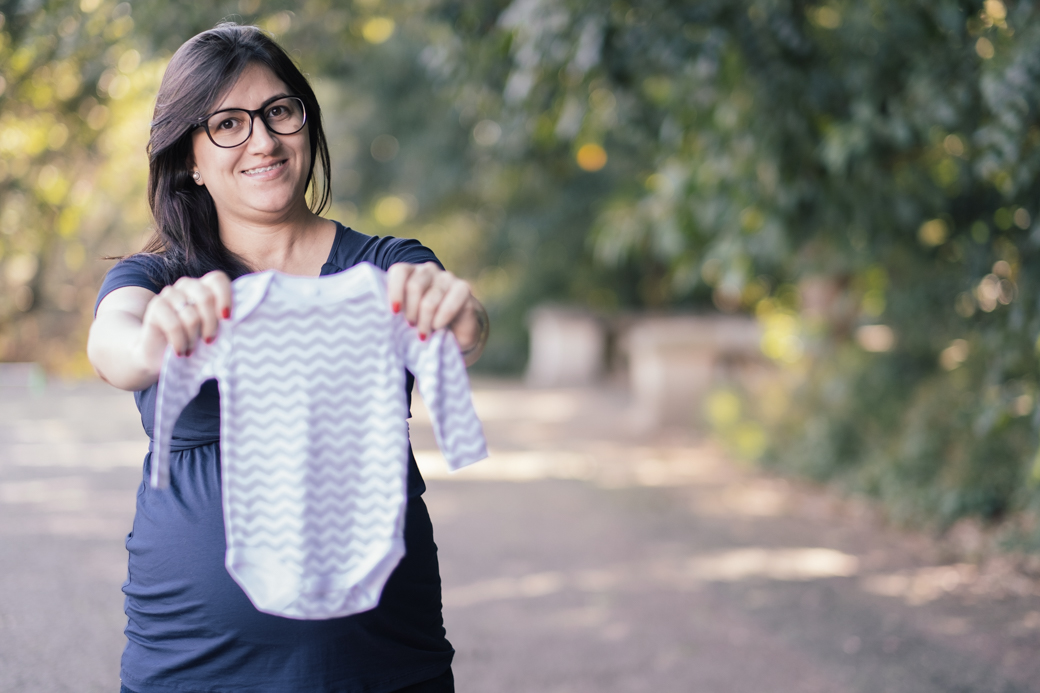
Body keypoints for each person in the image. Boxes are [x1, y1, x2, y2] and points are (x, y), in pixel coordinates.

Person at [86, 22, 488, 693]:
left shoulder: (387, 266)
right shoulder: (156, 279)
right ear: (189, 155)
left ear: (307, 122)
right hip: (191, 658)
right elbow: (113, 346)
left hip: (377, 657)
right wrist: (155, 339)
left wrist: (458, 311)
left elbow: (464, 327)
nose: (263, 140)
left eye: (279, 111)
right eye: (228, 124)